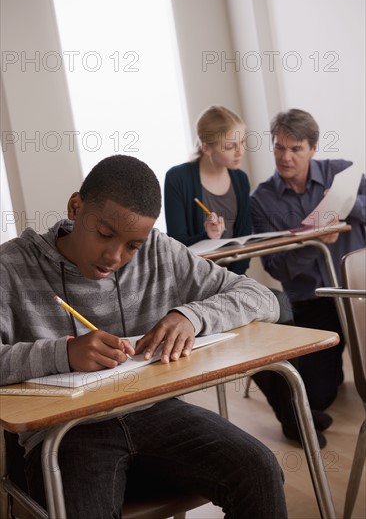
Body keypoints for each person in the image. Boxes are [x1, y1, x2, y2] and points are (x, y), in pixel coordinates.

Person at [0, 154, 288, 519]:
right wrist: (65, 353)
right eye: (104, 234)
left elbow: (262, 298)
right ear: (76, 207)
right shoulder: (11, 266)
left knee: (258, 469)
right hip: (65, 436)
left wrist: (191, 315)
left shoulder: (158, 251)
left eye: (132, 245)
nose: (115, 256)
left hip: (155, 411)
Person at [250, 108, 366, 447]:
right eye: (278, 148)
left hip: (357, 294)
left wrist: (343, 208)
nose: (285, 157)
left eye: (295, 148)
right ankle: (323, 378)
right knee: (318, 398)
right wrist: (314, 241)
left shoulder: (341, 172)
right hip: (312, 302)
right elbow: (275, 268)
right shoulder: (260, 200)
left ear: (313, 148)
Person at [164, 105, 251, 275]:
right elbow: (177, 245)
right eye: (230, 146)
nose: (240, 151)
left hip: (234, 278)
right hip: (196, 280)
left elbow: (244, 242)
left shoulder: (241, 179)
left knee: (278, 299)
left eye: (242, 142)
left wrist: (234, 280)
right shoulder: (178, 178)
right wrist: (207, 237)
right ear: (206, 148)